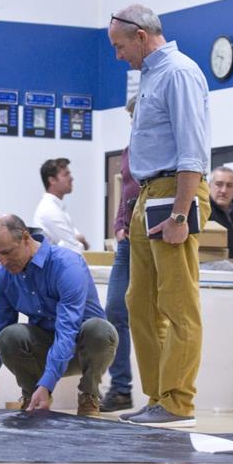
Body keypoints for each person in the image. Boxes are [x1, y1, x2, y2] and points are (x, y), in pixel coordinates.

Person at [108, 4, 211, 427]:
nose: (117, 55)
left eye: (119, 46)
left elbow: (192, 151)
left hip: (174, 194)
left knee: (178, 303)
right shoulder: (150, 76)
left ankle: (178, 401)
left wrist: (182, 214)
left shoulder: (179, 73)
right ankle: (157, 397)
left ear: (141, 36)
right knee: (140, 304)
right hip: (147, 195)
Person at [0, 214, 118, 418]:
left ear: (25, 237)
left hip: (82, 350)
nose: (3, 261)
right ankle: (33, 396)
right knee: (8, 336)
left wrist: (47, 384)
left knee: (100, 330)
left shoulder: (67, 266)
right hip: (45, 350)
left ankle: (89, 395)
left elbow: (67, 331)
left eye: (7, 252)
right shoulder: (3, 276)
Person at [100, 97, 139, 413]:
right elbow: (126, 191)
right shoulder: (130, 149)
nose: (134, 121)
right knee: (114, 310)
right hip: (127, 242)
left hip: (149, 239)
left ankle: (165, 394)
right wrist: (118, 225)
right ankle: (121, 388)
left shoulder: (160, 149)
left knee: (154, 318)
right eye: (132, 117)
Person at [33, 158, 90, 253]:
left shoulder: (57, 208)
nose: (71, 178)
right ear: (52, 180)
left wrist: (78, 240)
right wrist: (79, 240)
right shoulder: (49, 210)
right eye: (66, 174)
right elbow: (74, 249)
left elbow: (79, 242)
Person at [208, 166, 233, 269]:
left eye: (229, 185)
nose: (224, 190)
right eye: (219, 184)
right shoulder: (203, 214)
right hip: (209, 281)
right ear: (209, 186)